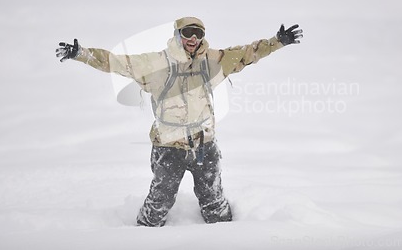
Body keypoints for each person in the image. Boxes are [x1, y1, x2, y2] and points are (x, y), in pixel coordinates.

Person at [55, 17, 303, 227]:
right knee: (158, 205)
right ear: (177, 35)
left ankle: (227, 239)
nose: (193, 38)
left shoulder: (214, 61)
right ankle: (138, 240)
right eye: (188, 33)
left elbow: (249, 53)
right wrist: (81, 54)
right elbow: (115, 62)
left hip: (204, 146)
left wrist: (278, 42)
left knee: (214, 203)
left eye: (198, 33)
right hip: (168, 149)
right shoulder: (156, 64)